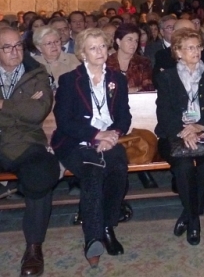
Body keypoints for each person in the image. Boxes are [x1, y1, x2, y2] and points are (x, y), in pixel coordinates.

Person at [51, 28, 132, 267]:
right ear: (83, 53)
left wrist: (114, 134)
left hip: (111, 140)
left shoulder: (117, 79)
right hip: (77, 142)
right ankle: (93, 237)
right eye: (93, 48)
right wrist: (97, 134)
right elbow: (64, 121)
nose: (100, 52)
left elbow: (124, 116)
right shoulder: (70, 80)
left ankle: (108, 226)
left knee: (118, 169)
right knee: (93, 173)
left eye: (103, 46)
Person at [0, 27, 60, 277]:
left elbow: (37, 112)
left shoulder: (36, 72)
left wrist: (4, 104)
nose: (15, 52)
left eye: (18, 46)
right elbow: (27, 111)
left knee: (42, 172)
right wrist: (21, 106)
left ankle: (34, 247)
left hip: (25, 143)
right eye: (7, 47)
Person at [154, 28, 204, 244]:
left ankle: (187, 213)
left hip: (203, 133)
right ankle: (194, 221)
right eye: (190, 48)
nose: (196, 51)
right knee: (183, 167)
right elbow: (164, 111)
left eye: (198, 47)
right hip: (173, 135)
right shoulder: (166, 76)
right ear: (178, 51)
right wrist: (183, 131)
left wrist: (198, 127)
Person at [106, 23, 153, 93]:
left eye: (136, 41)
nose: (133, 44)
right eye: (129, 40)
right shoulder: (107, 63)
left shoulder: (143, 63)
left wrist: (134, 90)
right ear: (118, 41)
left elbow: (148, 87)